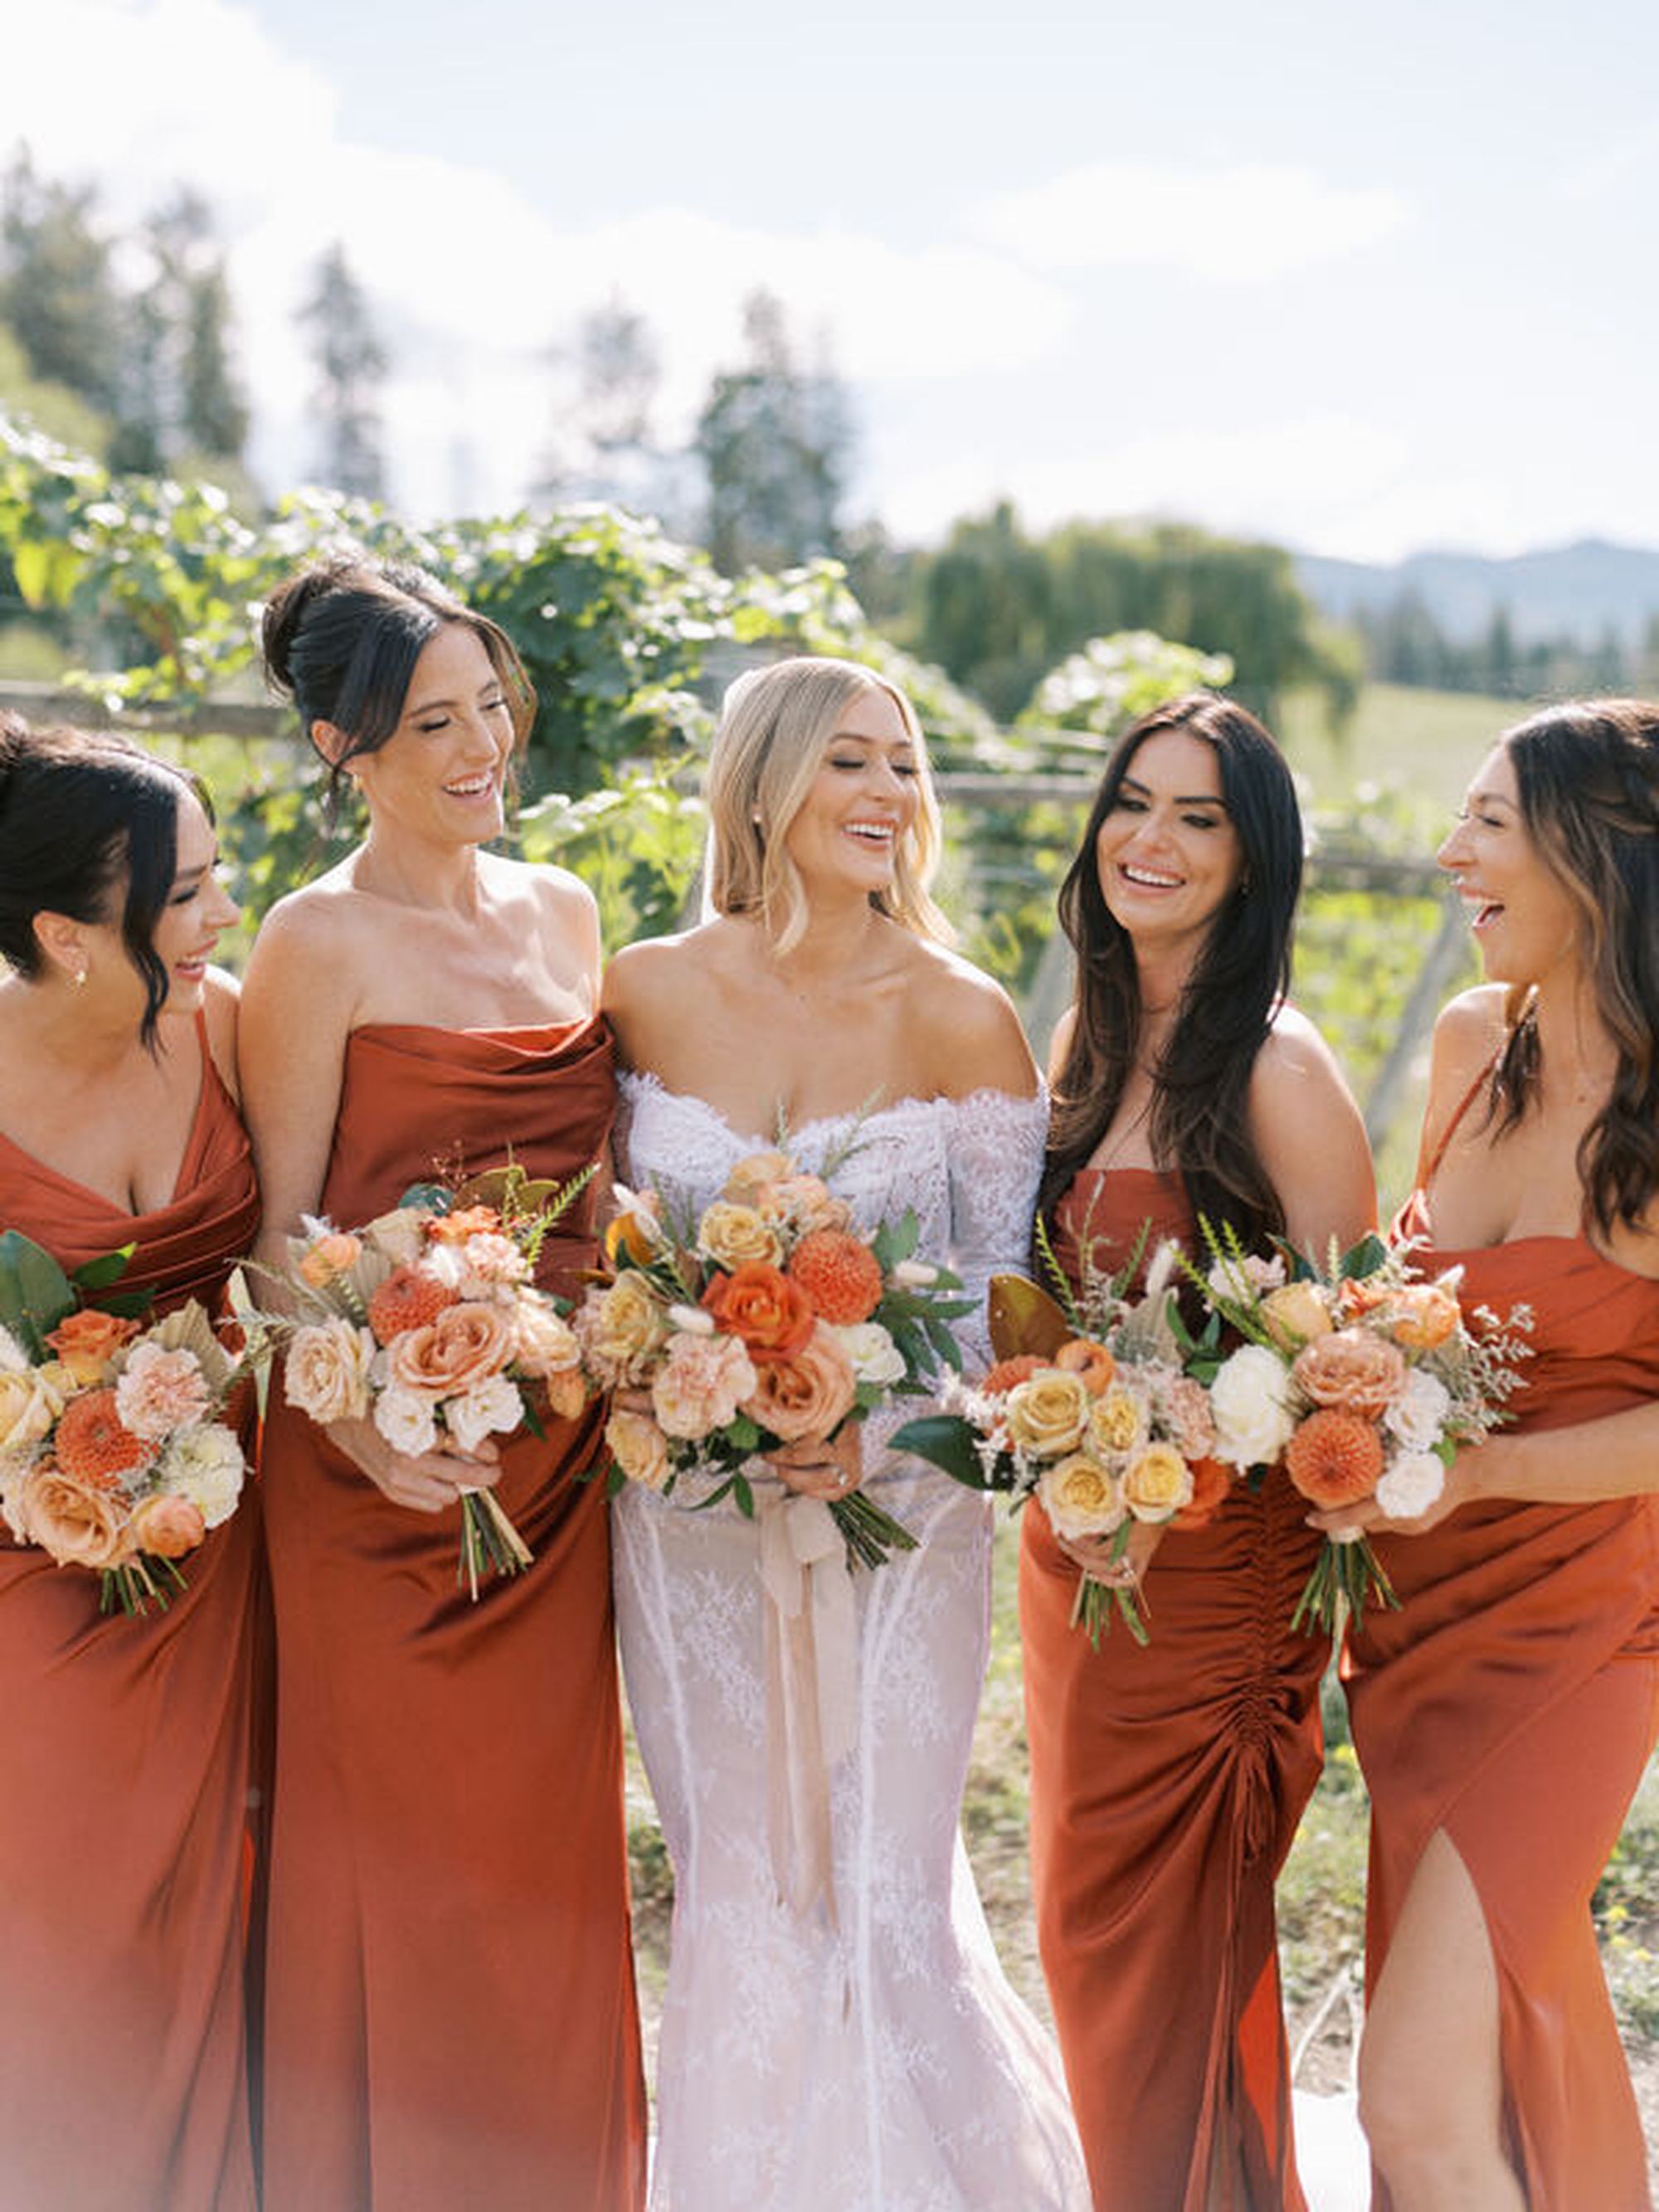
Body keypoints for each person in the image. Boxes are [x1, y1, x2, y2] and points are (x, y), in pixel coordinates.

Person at [603, 654, 1090, 2210]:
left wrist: (878, 1435)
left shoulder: (961, 1012)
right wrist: (667, 1379)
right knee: (741, 1883)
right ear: (763, 782)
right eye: (851, 760)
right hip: (685, 1523)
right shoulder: (642, 988)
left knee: (883, 1894)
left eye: (905, 764)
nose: (889, 793)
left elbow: (1013, 1314)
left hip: (900, 1525)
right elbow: (606, 1257)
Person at [239, 557, 645, 2212]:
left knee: (542, 1868)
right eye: (433, 725)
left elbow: (605, 1199)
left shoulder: (566, 912)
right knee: (401, 1872)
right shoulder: (313, 939)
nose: (483, 749)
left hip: (556, 1473)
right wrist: (358, 1425)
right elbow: (276, 1239)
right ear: (341, 747)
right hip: (376, 1487)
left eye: (493, 707)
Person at [1018, 691, 1375, 2211]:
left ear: (1252, 858)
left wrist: (1184, 1477)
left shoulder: (1280, 1069)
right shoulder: (1085, 1039)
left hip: (1216, 1586)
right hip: (1078, 1564)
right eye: (1132, 801)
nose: (1148, 839)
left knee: (1176, 1960)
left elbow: (1350, 1369)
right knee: (1082, 1937)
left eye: (1197, 816)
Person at [1325, 700, 1659, 2209]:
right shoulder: (1475, 1043)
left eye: (1489, 823)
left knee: (1408, 2097)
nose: (1451, 851)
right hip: (1416, 1623)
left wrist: (1483, 1476)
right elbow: (1413, 1320)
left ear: (1599, 856)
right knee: (1489, 2058)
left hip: (1582, 1631)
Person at [0, 717, 261, 2212]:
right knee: (63, 1918)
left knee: (217, 1899)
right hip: (27, 1559)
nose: (226, 913)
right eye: (188, 894)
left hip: (226, 1541)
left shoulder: (229, 1025)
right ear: (66, 936)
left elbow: (296, 1246)